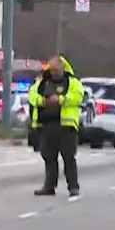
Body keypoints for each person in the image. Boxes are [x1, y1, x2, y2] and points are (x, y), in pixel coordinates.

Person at [27, 55, 84, 197]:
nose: (53, 73)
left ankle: (73, 187)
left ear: (62, 68)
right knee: (49, 157)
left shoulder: (72, 82)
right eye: (51, 70)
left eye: (56, 70)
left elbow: (78, 96)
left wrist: (60, 100)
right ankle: (49, 186)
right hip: (47, 125)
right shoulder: (42, 82)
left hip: (66, 125)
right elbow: (32, 95)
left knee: (68, 157)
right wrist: (42, 101)